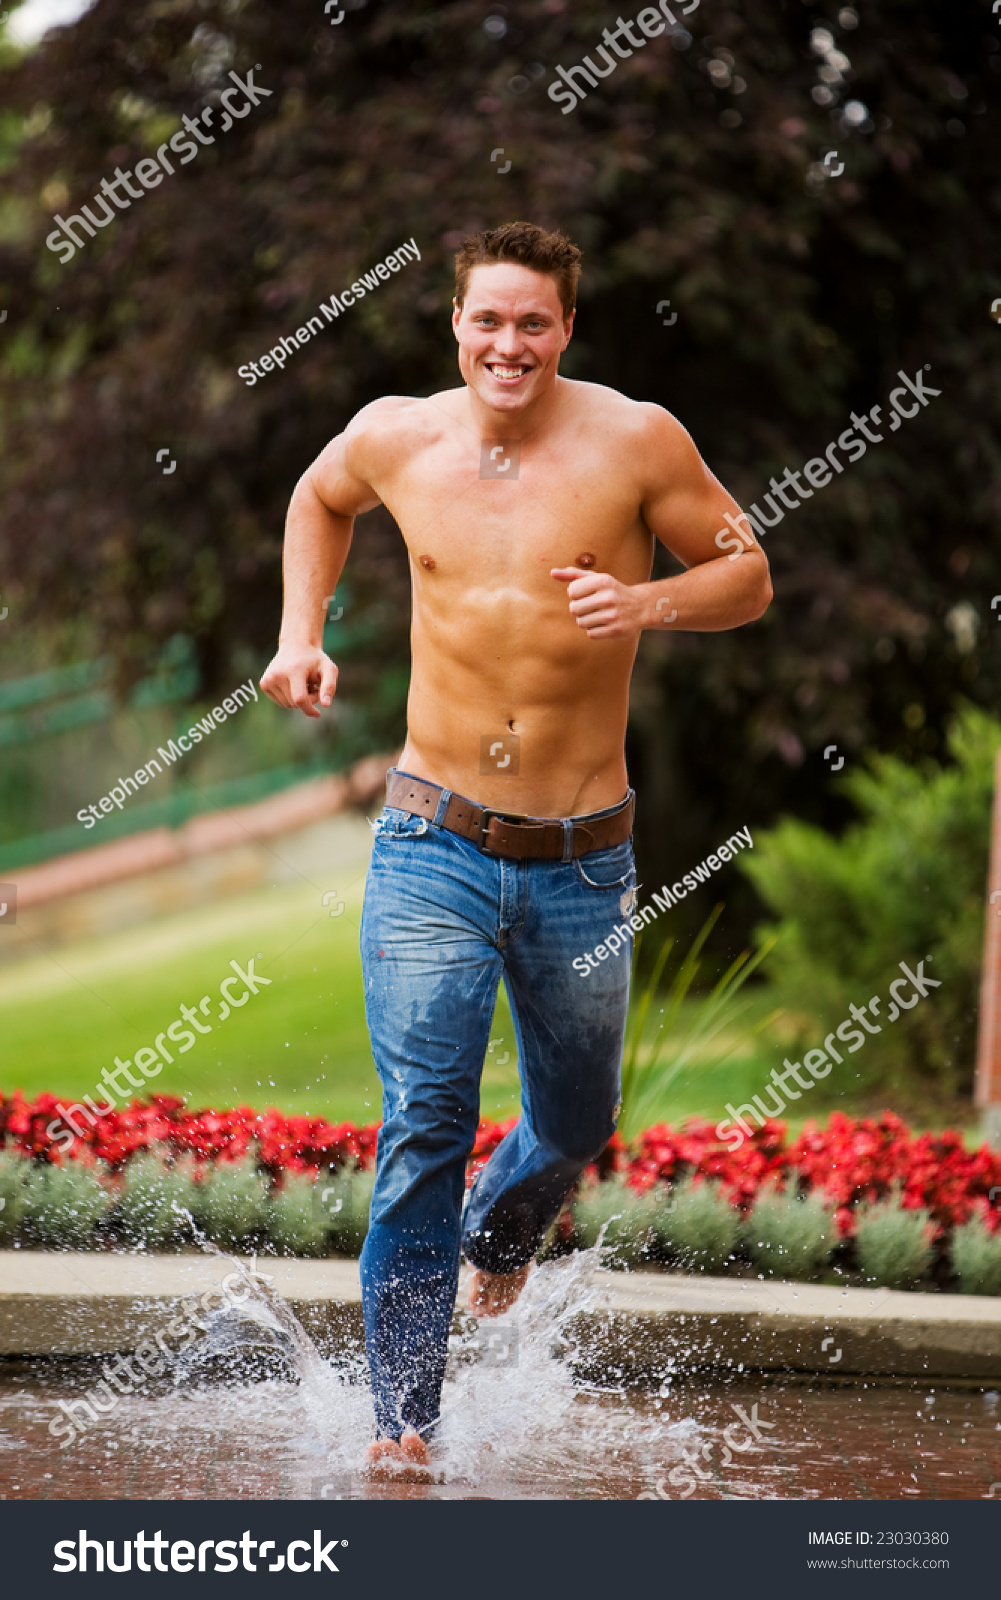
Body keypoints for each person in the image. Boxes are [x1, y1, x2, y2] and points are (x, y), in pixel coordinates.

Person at [260, 221, 771, 1475]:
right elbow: (318, 495)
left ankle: (503, 1230)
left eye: (531, 323)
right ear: (453, 323)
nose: (507, 344)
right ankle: (403, 1421)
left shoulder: (635, 440)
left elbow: (747, 572)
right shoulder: (396, 435)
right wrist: (298, 631)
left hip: (583, 858)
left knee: (575, 1118)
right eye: (487, 320)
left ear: (565, 330)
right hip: (431, 838)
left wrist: (646, 598)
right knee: (424, 1120)